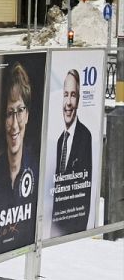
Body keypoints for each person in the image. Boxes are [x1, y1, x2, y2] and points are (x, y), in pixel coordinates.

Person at [0, 63, 39, 251]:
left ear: (28, 115)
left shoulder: (37, 167)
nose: (15, 125)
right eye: (9, 113)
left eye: (20, 111)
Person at [49, 69, 94, 236]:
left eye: (73, 95)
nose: (68, 102)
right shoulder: (61, 140)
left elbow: (86, 189)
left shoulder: (85, 136)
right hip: (57, 229)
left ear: (79, 99)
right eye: (65, 95)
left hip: (74, 229)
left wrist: (78, 232)